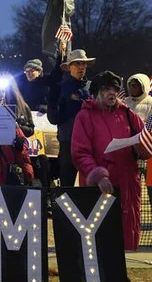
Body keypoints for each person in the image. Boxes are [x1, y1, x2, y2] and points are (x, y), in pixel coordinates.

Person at [71, 71, 143, 250]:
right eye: (106, 89)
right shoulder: (85, 117)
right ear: (97, 92)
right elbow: (80, 153)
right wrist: (98, 175)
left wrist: (141, 147)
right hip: (100, 187)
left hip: (128, 186)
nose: (112, 93)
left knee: (126, 243)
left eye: (115, 89)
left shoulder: (128, 114)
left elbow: (144, 140)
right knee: (100, 243)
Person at [56, 49, 95, 187]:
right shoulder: (60, 88)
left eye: (83, 64)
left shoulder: (93, 87)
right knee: (67, 183)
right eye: (77, 63)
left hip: (90, 141)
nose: (81, 67)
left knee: (91, 182)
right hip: (68, 140)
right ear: (69, 67)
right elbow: (54, 116)